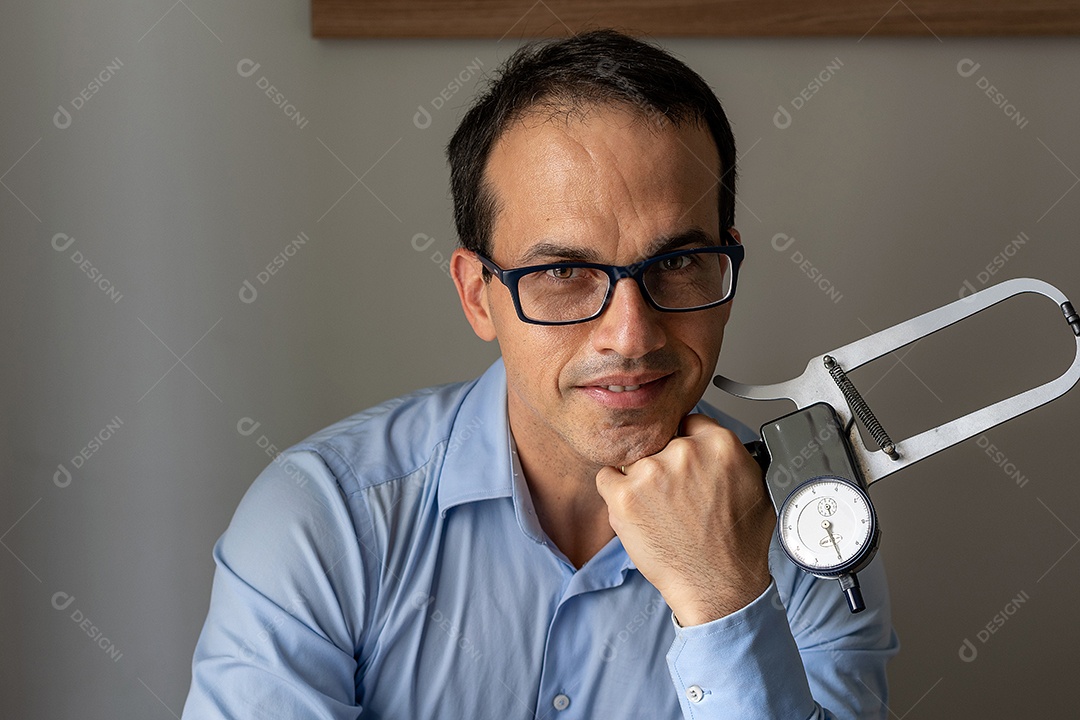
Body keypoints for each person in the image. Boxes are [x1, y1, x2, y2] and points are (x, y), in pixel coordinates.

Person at [182, 29, 898, 719]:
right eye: (562, 271)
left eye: (677, 263)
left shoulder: (816, 526)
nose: (630, 335)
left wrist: (724, 602)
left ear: (726, 268)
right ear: (476, 295)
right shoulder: (322, 521)